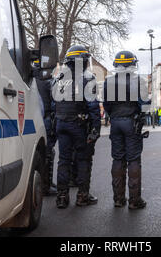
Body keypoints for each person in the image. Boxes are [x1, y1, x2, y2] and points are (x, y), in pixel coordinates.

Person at [53, 45, 101, 208]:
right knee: (83, 159)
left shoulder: (58, 78)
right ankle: (82, 196)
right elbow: (93, 106)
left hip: (61, 123)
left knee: (64, 160)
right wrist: (96, 129)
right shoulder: (87, 78)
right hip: (78, 125)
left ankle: (62, 196)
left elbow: (54, 103)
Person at [103, 51, 150, 209]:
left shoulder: (108, 81)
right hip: (131, 122)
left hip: (115, 122)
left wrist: (114, 115)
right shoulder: (139, 81)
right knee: (133, 160)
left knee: (118, 159)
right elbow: (145, 104)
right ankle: (134, 200)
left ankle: (118, 199)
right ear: (132, 64)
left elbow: (106, 104)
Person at [33, 60, 58, 196]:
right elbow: (54, 101)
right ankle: (46, 186)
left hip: (36, 117)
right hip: (47, 117)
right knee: (48, 152)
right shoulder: (47, 80)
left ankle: (45, 183)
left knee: (42, 153)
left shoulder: (32, 78)